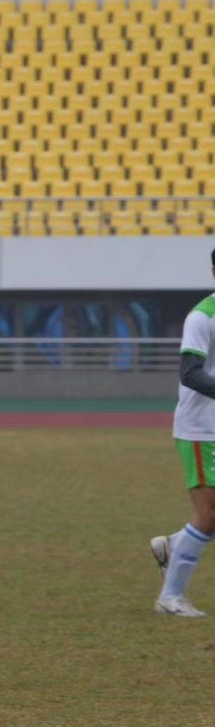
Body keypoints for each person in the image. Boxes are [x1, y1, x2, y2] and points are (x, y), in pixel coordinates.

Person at [150, 248, 215, 616]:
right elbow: (190, 372)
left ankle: (172, 547)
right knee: (207, 515)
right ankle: (170, 598)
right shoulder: (202, 317)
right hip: (201, 428)